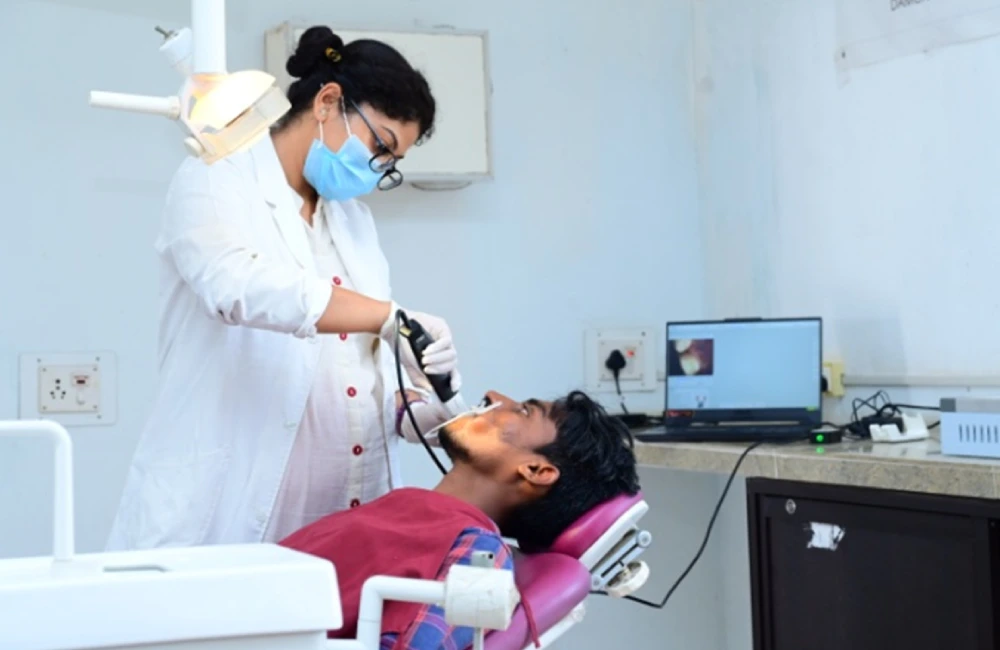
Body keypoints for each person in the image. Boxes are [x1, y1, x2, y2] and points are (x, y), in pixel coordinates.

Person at [106, 26, 462, 551]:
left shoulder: (353, 221)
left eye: (391, 163)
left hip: (345, 512)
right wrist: (386, 316)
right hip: (232, 508)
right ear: (328, 101)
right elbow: (237, 286)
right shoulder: (215, 177)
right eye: (380, 146)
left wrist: (423, 403)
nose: (379, 170)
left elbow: (360, 376)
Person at [279, 390, 641, 649]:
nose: (493, 396)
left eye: (524, 412)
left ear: (535, 470)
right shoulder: (408, 507)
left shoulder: (476, 555)